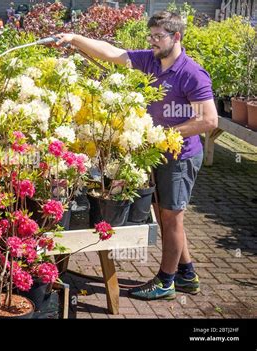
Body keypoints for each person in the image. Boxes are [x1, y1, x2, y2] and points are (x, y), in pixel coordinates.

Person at [55, 11, 218, 300]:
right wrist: (75, 39)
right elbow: (113, 53)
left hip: (180, 158)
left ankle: (166, 282)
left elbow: (209, 120)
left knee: (171, 218)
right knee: (170, 215)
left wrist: (165, 135)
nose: (153, 41)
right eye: (151, 36)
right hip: (159, 155)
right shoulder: (151, 60)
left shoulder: (191, 73)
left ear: (176, 37)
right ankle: (187, 274)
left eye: (159, 36)